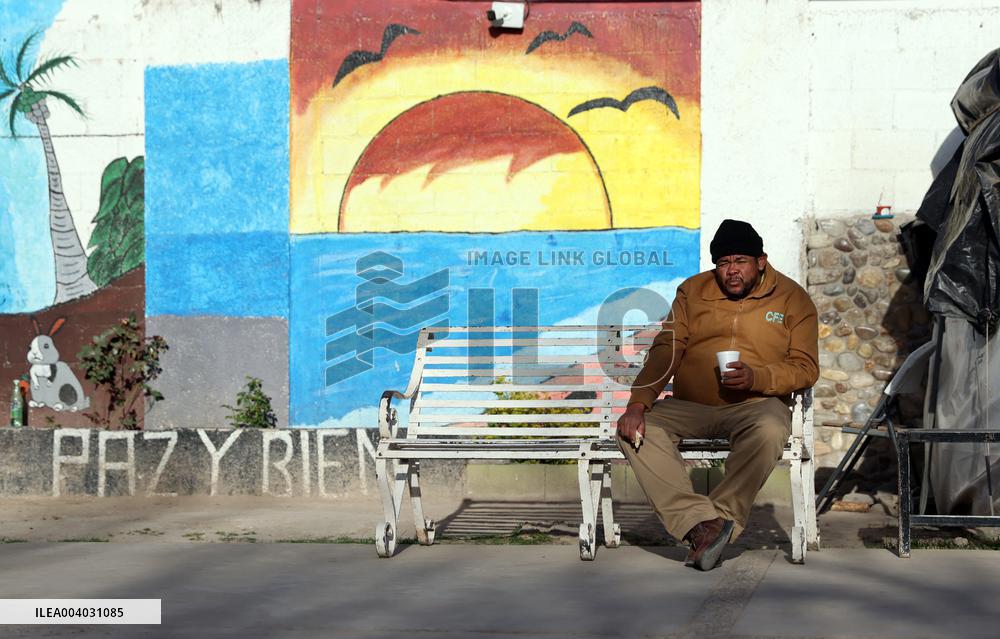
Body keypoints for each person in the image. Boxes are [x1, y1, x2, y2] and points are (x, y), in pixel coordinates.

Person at [616, 219, 819, 571]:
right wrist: (638, 403)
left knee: (771, 429)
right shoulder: (692, 292)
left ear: (761, 260)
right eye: (723, 263)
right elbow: (667, 349)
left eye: (740, 261)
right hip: (691, 406)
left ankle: (717, 521)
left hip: (755, 405)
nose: (732, 271)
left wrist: (758, 377)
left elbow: (805, 368)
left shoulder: (792, 299)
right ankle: (701, 524)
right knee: (635, 431)